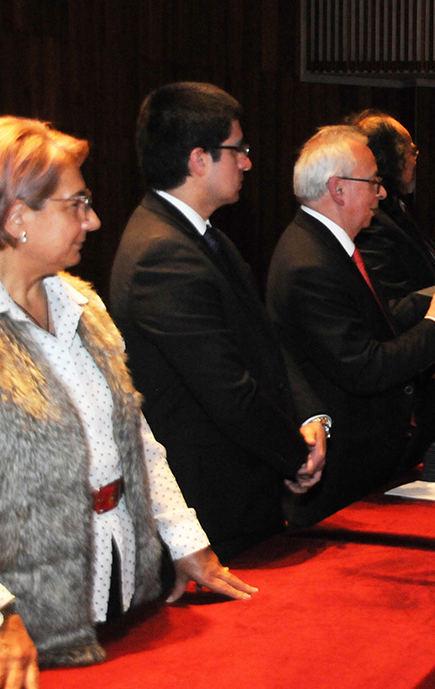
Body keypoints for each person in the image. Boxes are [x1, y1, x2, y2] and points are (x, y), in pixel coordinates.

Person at [0, 117, 253, 685]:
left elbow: (135, 439)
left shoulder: (80, 305)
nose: (93, 220)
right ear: (17, 216)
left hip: (121, 597)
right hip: (12, 637)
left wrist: (188, 543)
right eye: (76, 204)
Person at [110, 82, 328, 560]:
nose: (247, 162)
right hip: (213, 505)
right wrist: (293, 453)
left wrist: (307, 419)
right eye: (238, 150)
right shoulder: (162, 253)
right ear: (197, 159)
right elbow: (226, 388)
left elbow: (266, 345)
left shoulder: (204, 237)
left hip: (245, 487)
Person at [266, 126, 435, 524]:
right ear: (338, 189)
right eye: (373, 181)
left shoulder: (329, 244)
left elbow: (379, 318)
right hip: (345, 473)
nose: (383, 192)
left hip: (369, 460)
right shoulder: (309, 261)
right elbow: (364, 366)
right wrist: (434, 332)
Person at [346, 109, 435, 411]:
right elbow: (391, 314)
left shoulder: (398, 211)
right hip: (415, 389)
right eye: (411, 150)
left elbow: (432, 282)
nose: (416, 158)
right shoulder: (373, 222)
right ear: (388, 158)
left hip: (434, 370)